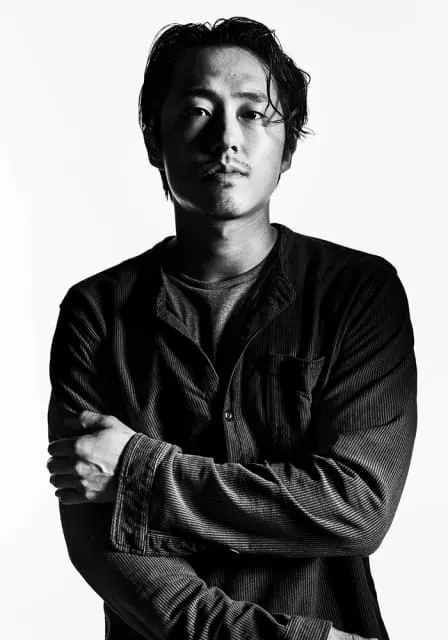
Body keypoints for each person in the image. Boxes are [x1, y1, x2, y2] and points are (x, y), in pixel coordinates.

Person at [46, 16, 417, 640]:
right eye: (198, 111)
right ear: (154, 140)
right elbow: (102, 547)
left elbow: (357, 508)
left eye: (253, 114)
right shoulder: (97, 312)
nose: (226, 139)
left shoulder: (357, 293)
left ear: (288, 147)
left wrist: (137, 470)